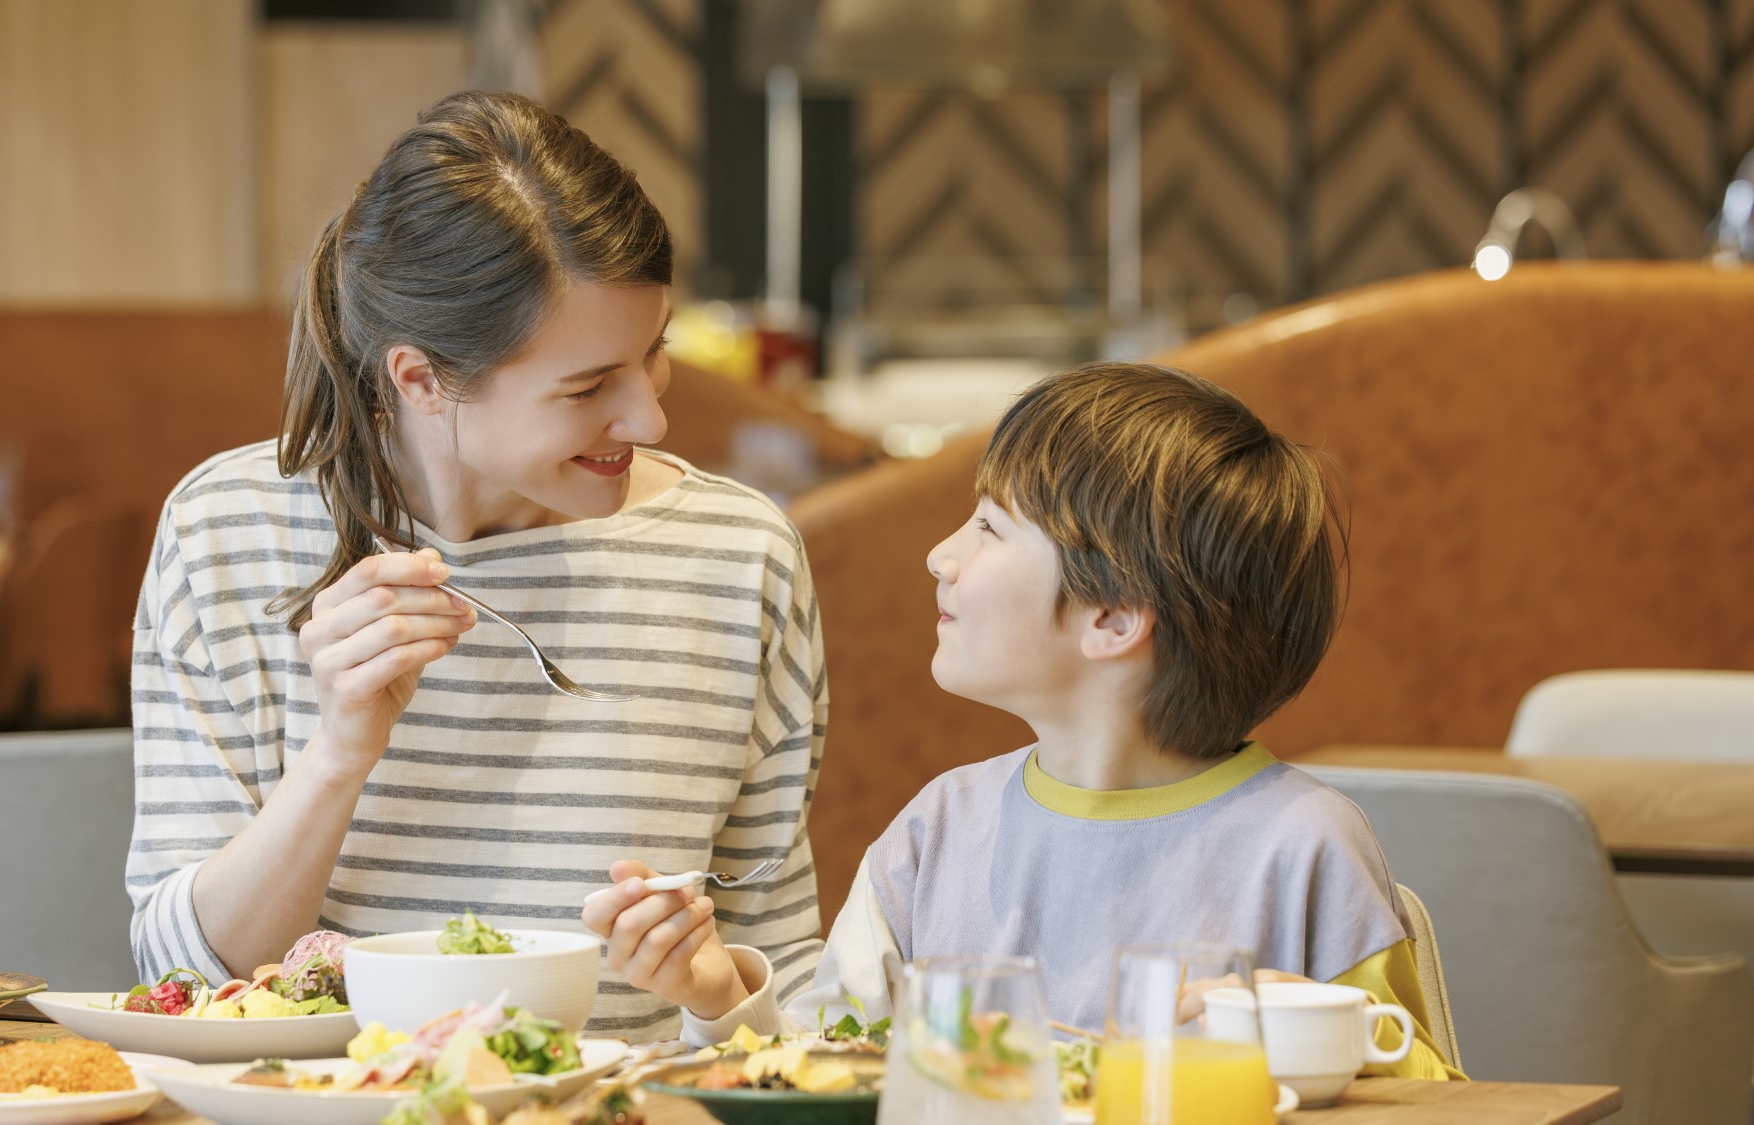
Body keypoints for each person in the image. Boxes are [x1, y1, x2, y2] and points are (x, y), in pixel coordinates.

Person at [124, 90, 824, 1044]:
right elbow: (180, 979)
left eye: (651, 356)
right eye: (585, 388)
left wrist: (717, 989)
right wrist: (336, 757)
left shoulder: (740, 555)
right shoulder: (226, 532)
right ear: (421, 379)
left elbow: (794, 987)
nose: (650, 421)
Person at [604, 360, 1461, 1078]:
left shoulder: (1304, 846)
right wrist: (719, 997)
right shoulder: (935, 834)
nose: (941, 555)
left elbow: (1444, 1098)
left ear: (1114, 617)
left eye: (988, 527)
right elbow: (831, 1075)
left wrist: (1324, 1037)